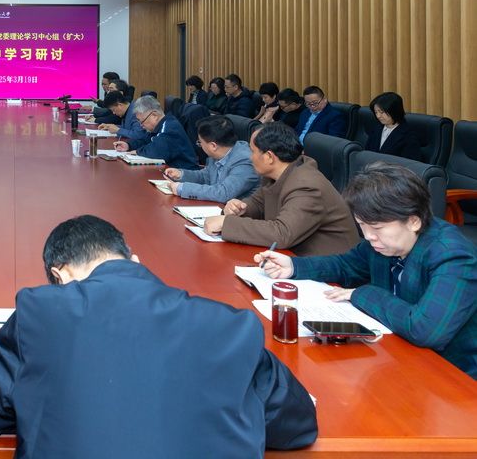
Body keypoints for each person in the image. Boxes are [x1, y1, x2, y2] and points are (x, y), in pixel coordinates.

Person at [0, 215, 318, 457]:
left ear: (60, 275)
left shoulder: (41, 312)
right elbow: (296, 426)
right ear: (133, 259)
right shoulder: (230, 326)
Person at [257, 163, 477, 379]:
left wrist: (361, 293)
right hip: (396, 352)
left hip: (452, 375)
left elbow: (425, 330)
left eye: (377, 228)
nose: (369, 236)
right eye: (362, 225)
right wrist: (293, 266)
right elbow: (345, 265)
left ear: (413, 222)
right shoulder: (385, 241)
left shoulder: (454, 256)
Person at [204, 122, 360, 256]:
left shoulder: (307, 185)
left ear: (269, 157)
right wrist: (239, 208)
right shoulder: (279, 174)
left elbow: (282, 233)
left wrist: (227, 224)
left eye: (253, 151)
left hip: (327, 271)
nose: (250, 157)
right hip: (290, 258)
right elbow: (258, 204)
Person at [164, 115, 259, 203]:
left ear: (213, 146)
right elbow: (205, 177)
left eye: (200, 142)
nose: (200, 146)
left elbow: (223, 193)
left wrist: (182, 189)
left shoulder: (245, 161)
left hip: (238, 214)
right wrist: (181, 175)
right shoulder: (217, 154)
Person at [113, 95, 199, 170]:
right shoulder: (158, 127)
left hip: (185, 174)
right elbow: (145, 140)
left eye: (142, 121)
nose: (141, 125)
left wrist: (137, 152)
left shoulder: (170, 127)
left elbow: (157, 151)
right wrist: (129, 145)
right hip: (170, 170)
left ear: (154, 115)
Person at [365, 92, 421, 161]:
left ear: (394, 111)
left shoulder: (409, 136)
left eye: (381, 112)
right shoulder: (376, 128)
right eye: (376, 112)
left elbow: (410, 164)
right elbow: (367, 152)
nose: (378, 116)